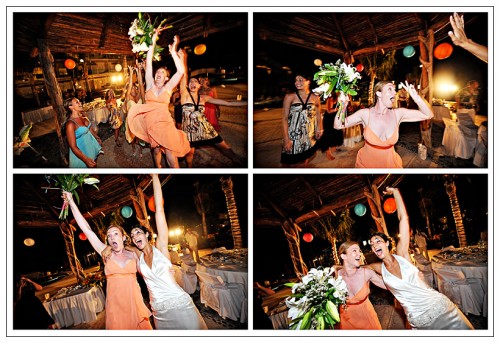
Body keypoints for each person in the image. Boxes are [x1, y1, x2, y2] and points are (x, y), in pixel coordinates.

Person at [105, 174, 207, 330]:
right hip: (159, 313)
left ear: (146, 234)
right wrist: (108, 246)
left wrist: (155, 178)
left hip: (180, 305)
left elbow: (159, 210)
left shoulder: (160, 248)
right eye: (132, 236)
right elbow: (119, 245)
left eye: (138, 232)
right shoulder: (138, 256)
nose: (134, 236)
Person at [367, 187, 474, 329]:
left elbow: (403, 218)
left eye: (378, 241)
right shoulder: (378, 268)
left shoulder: (402, 254)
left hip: (440, 310)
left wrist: (396, 192)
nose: (374, 245)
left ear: (386, 243)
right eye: (372, 244)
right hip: (418, 321)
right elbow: (358, 269)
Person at [62, 191, 153, 330]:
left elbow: (149, 271)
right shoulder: (106, 253)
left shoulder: (134, 253)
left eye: (115, 234)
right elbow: (87, 230)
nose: (111, 237)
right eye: (109, 236)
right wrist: (71, 202)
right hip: (115, 305)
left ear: (123, 237)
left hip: (133, 301)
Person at [127, 30, 190, 168]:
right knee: (155, 150)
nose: (158, 74)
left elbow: (180, 72)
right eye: (157, 72)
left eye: (162, 73)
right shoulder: (149, 84)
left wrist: (173, 51)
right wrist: (153, 39)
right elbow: (148, 61)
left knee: (170, 154)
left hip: (165, 123)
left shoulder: (168, 88)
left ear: (167, 78)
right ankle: (158, 168)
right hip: (151, 124)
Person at [334, 81, 433, 168]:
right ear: (379, 93)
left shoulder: (398, 114)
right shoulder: (365, 114)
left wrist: (416, 97)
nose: (394, 92)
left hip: (391, 164)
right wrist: (342, 106)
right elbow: (338, 125)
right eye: (390, 89)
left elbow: (428, 114)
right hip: (366, 165)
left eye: (394, 89)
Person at [179, 50, 247, 168]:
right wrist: (183, 59)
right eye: (190, 82)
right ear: (187, 86)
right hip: (189, 131)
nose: (192, 83)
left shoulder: (204, 98)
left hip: (206, 129)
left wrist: (246, 102)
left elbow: (227, 103)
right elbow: (183, 75)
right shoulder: (184, 96)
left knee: (226, 148)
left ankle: (240, 164)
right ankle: (189, 170)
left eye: (195, 81)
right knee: (190, 153)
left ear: (199, 86)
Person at [335, 241, 386, 330]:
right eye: (354, 251)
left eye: (360, 251)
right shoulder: (337, 275)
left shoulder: (366, 273)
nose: (359, 254)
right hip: (346, 322)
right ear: (344, 256)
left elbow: (389, 286)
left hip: (366, 320)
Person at [281, 74, 322, 167]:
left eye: (300, 80)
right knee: (289, 159)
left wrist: (320, 128)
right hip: (293, 135)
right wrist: (286, 139)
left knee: (307, 155)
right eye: (296, 80)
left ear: (308, 81)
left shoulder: (315, 97)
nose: (297, 83)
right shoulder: (290, 97)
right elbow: (284, 118)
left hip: (309, 133)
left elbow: (319, 114)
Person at [64, 97, 102, 168]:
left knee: (95, 170)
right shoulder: (70, 124)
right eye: (77, 102)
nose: (80, 103)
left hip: (90, 147)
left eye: (79, 101)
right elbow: (73, 147)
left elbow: (89, 129)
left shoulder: (83, 116)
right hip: (81, 152)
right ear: (71, 107)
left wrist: (97, 137)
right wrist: (85, 159)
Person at [123, 65, 145, 158]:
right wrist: (131, 73)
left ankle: (140, 150)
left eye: (134, 88)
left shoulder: (141, 97)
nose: (133, 89)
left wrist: (139, 70)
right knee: (132, 138)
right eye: (131, 88)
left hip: (140, 120)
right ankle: (133, 149)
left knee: (140, 138)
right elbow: (129, 86)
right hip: (131, 121)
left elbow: (140, 85)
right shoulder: (128, 98)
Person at [316, 92, 344, 160]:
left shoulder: (338, 98)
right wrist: (338, 109)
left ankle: (333, 148)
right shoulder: (330, 98)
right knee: (328, 135)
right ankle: (328, 153)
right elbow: (328, 111)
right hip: (329, 119)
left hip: (334, 118)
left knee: (336, 133)